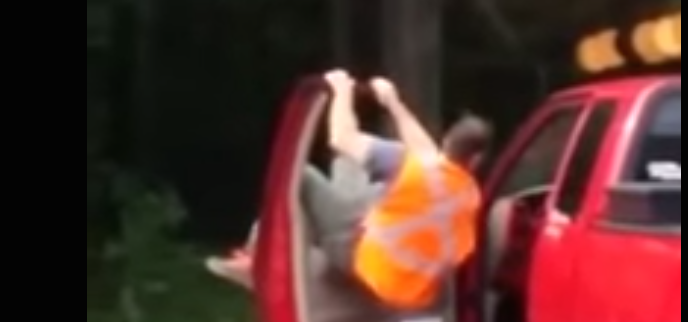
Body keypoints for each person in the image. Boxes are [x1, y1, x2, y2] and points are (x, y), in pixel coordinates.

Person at [208, 69, 491, 309]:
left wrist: (341, 89)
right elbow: (425, 151)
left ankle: (257, 260)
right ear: (476, 160)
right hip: (412, 288)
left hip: (362, 254)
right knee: (347, 165)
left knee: (301, 173)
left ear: (446, 141)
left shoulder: (410, 168)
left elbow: (341, 137)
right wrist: (392, 102)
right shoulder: (468, 195)